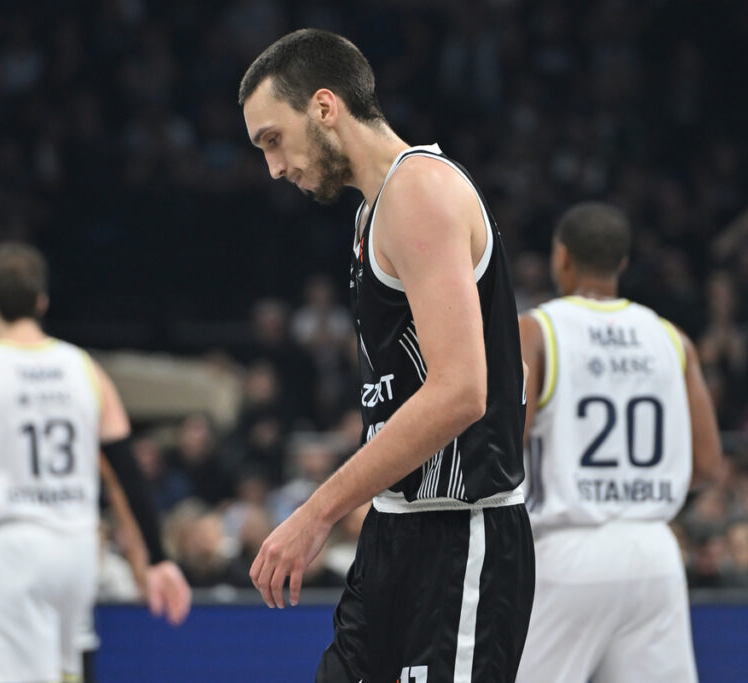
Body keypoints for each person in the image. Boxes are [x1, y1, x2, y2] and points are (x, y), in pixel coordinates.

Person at [239, 29, 534, 682]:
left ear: (324, 107)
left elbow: (462, 391)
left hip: (459, 535)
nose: (274, 167)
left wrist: (316, 511)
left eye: (273, 139)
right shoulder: (373, 211)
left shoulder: (418, 192)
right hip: (397, 527)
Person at [0, 242, 190, 683]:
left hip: (11, 545)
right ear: (42, 301)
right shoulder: (85, 368)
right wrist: (157, 557)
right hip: (77, 546)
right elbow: (126, 470)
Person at [514, 202, 724, 683]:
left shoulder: (538, 330)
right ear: (623, 262)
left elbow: (503, 446)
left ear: (561, 257)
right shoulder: (672, 338)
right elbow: (709, 465)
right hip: (655, 551)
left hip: (568, 548)